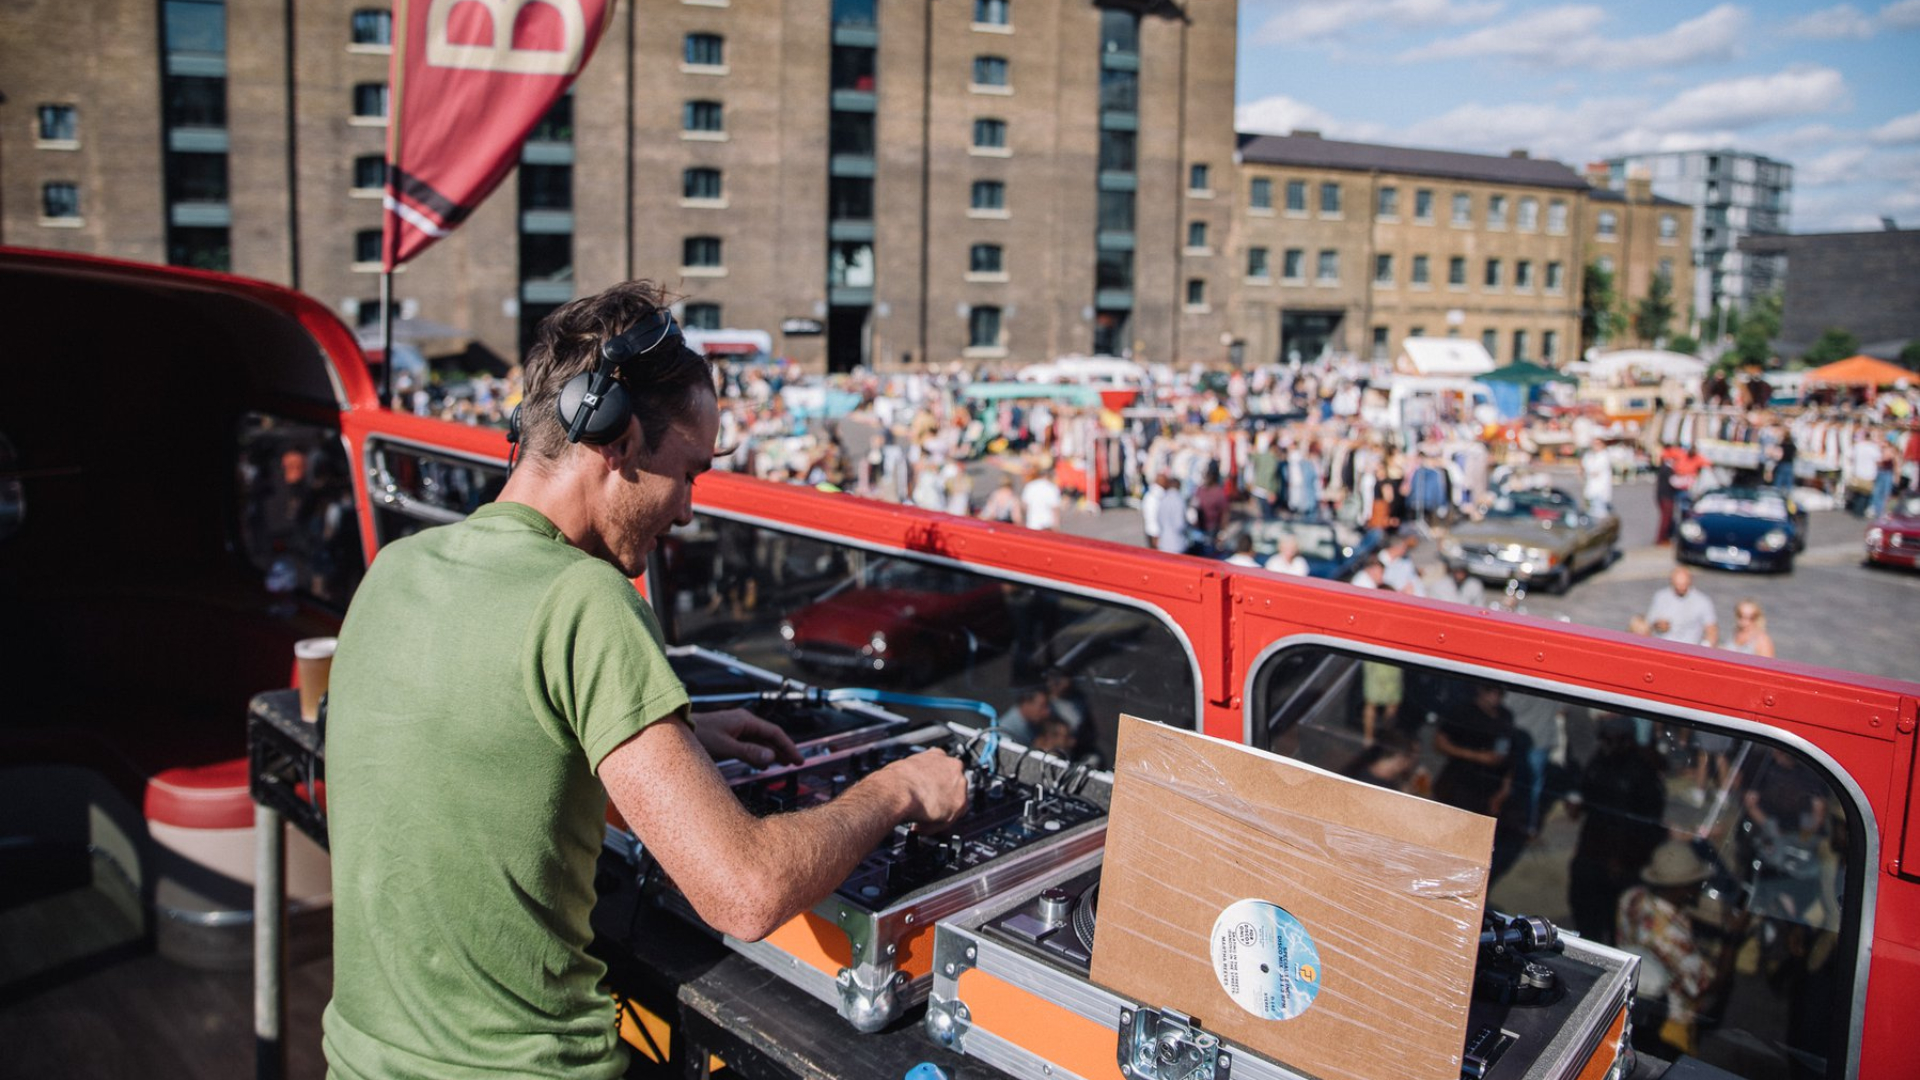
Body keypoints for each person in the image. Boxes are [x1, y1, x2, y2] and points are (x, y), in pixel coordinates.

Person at [321, 283, 969, 1080]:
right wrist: (897, 789)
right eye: (688, 473)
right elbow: (745, 893)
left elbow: (486, 745)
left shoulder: (396, 568)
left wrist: (677, 739)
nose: (690, 511)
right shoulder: (584, 599)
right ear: (617, 440)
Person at [1616, 842, 1751, 1059]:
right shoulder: (1673, 939)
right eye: (1695, 883)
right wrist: (1732, 939)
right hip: (1669, 1029)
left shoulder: (1632, 898)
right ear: (1680, 888)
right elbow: (1713, 984)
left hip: (1635, 1010)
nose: (1700, 886)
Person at [1565, 715, 1667, 945]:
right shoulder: (1599, 760)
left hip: (1623, 860)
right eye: (1605, 739)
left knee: (1615, 922)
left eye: (1615, 740)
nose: (1609, 745)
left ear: (1628, 740)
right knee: (1582, 907)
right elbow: (1584, 794)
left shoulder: (1643, 773)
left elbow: (1647, 825)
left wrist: (1624, 858)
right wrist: (1575, 804)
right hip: (1591, 850)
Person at [1647, 567, 1718, 647]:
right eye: (1677, 585)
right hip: (1663, 645)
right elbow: (1649, 623)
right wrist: (1658, 625)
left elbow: (1711, 630)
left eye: (1683, 585)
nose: (1680, 588)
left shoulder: (1703, 601)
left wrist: (1704, 648)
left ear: (1690, 582)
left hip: (1689, 648)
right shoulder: (1661, 596)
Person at [1153, 473, 1192, 555]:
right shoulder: (1179, 500)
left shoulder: (1163, 498)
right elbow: (1179, 525)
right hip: (1176, 545)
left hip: (1164, 542)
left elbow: (1158, 519)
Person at [1020, 467, 1063, 531]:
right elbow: (1055, 509)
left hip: (1032, 523)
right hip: (1047, 525)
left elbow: (1024, 506)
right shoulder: (1052, 488)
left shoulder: (1030, 486)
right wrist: (1056, 526)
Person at [1582, 443, 1614, 517]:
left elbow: (1597, 470)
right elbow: (1585, 465)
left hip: (1600, 484)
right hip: (1591, 483)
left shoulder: (1604, 456)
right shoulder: (1590, 455)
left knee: (1600, 503)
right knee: (1591, 500)